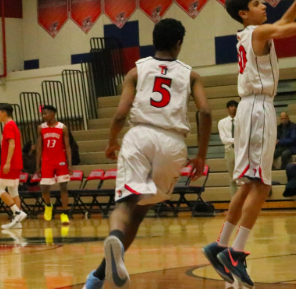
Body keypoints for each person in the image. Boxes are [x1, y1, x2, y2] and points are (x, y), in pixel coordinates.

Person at [82, 18, 212, 289]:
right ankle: (100, 274)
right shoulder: (191, 74)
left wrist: (111, 141)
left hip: (139, 136)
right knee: (142, 210)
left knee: (125, 205)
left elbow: (120, 113)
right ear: (179, 43)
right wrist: (200, 155)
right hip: (173, 142)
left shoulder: (136, 71)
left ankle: (110, 252)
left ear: (154, 41)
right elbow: (205, 112)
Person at [203, 0, 296, 287]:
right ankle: (236, 251)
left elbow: (281, 23)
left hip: (251, 109)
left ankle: (222, 245)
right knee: (262, 185)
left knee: (250, 183)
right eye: (256, 3)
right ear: (243, 13)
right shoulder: (258, 33)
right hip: (257, 110)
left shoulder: (250, 33)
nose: (264, 5)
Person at [36, 105, 73, 224]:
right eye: (43, 114)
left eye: (45, 113)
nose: (43, 116)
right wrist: (38, 165)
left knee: (63, 187)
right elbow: (39, 147)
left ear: (53, 114)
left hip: (60, 160)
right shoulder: (41, 128)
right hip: (47, 161)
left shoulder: (63, 127)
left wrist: (70, 164)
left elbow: (67, 146)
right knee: (45, 188)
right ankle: (48, 205)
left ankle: (64, 213)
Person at [0, 104, 27, 230]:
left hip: (11, 164)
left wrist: (7, 162)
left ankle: (17, 213)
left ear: (3, 112)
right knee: (13, 192)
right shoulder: (13, 125)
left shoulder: (8, 126)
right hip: (16, 164)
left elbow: (12, 144)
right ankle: (17, 222)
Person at [218, 100, 238, 197]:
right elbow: (224, 140)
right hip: (229, 150)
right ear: (227, 108)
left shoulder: (242, 121)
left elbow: (244, 138)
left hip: (241, 151)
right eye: (231, 106)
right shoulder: (222, 122)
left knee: (244, 178)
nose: (233, 108)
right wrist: (236, 140)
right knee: (232, 178)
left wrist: (233, 140)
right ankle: (234, 201)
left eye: (235, 106)